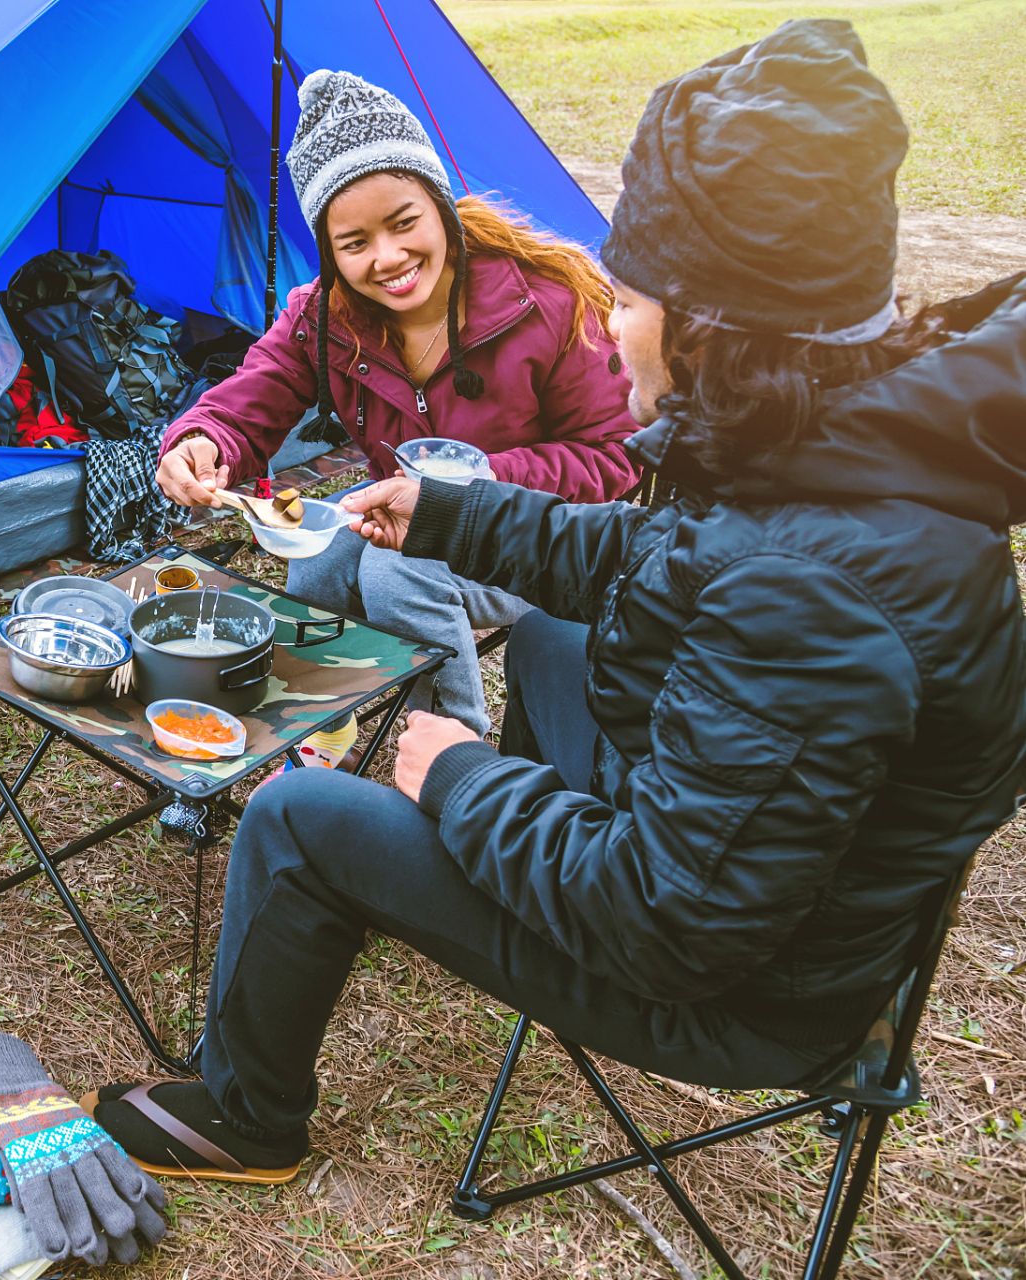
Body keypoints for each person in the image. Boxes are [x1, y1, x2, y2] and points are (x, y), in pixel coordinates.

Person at [91, 20, 1026, 1181]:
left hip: (737, 989)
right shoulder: (834, 458)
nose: (613, 319)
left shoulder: (809, 590)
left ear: (717, 326)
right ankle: (488, 820)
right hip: (749, 868)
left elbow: (665, 922)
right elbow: (651, 559)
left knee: (297, 818)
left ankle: (243, 1114)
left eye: (631, 297)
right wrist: (444, 514)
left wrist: (464, 777)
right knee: (549, 625)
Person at [156, 69, 640, 740]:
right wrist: (203, 442)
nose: (388, 258)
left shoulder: (548, 303)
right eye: (354, 244)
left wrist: (478, 483)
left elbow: (614, 457)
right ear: (329, 252)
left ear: (439, 205)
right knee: (321, 552)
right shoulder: (323, 318)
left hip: (547, 538)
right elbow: (247, 401)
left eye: (404, 223)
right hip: (413, 519)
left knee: (395, 570)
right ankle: (322, 723)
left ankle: (453, 754)